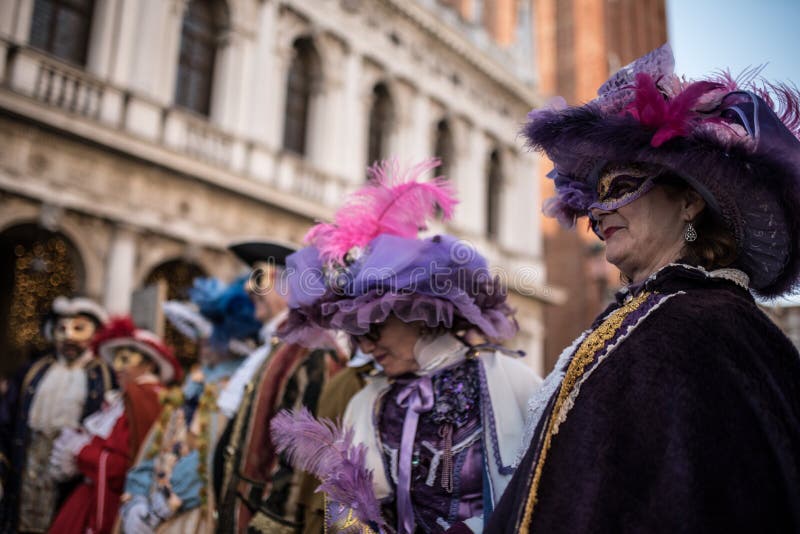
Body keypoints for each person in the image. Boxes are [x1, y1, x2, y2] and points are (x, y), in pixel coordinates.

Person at [487, 44, 800, 533]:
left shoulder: (710, 326)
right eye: (596, 198)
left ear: (690, 203)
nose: (598, 212)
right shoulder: (647, 316)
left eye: (621, 188)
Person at [272, 159, 542, 533]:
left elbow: (548, 492)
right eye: (357, 331)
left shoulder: (508, 380)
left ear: (417, 313)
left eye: (376, 325)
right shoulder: (366, 403)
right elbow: (341, 510)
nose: (366, 343)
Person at [215, 240, 345, 534]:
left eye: (260, 279)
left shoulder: (312, 348)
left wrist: (267, 527)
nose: (249, 289)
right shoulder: (281, 346)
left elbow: (300, 462)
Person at [119, 276, 261, 533]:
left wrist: (162, 503)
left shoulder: (234, 388)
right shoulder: (195, 384)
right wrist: (137, 498)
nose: (201, 342)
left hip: (192, 516)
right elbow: (158, 444)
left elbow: (211, 462)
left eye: (209, 335)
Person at [49, 317, 181, 534]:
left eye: (126, 359)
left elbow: (121, 466)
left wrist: (80, 451)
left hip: (110, 504)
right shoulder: (125, 399)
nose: (118, 368)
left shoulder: (143, 399)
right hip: (89, 497)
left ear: (149, 363)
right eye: (116, 360)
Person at [0, 296, 113, 533]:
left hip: (70, 476)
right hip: (27, 465)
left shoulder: (104, 376)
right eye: (62, 329)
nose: (69, 336)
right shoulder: (33, 370)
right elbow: (6, 418)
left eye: (79, 328)